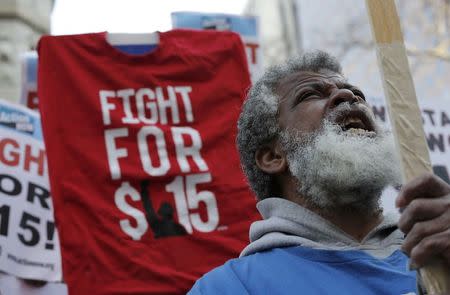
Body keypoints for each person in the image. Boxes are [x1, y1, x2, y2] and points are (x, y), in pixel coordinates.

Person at [188, 51, 450, 294]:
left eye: (354, 92)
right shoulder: (230, 288)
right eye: (311, 94)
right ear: (272, 157)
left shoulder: (439, 248)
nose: (348, 97)